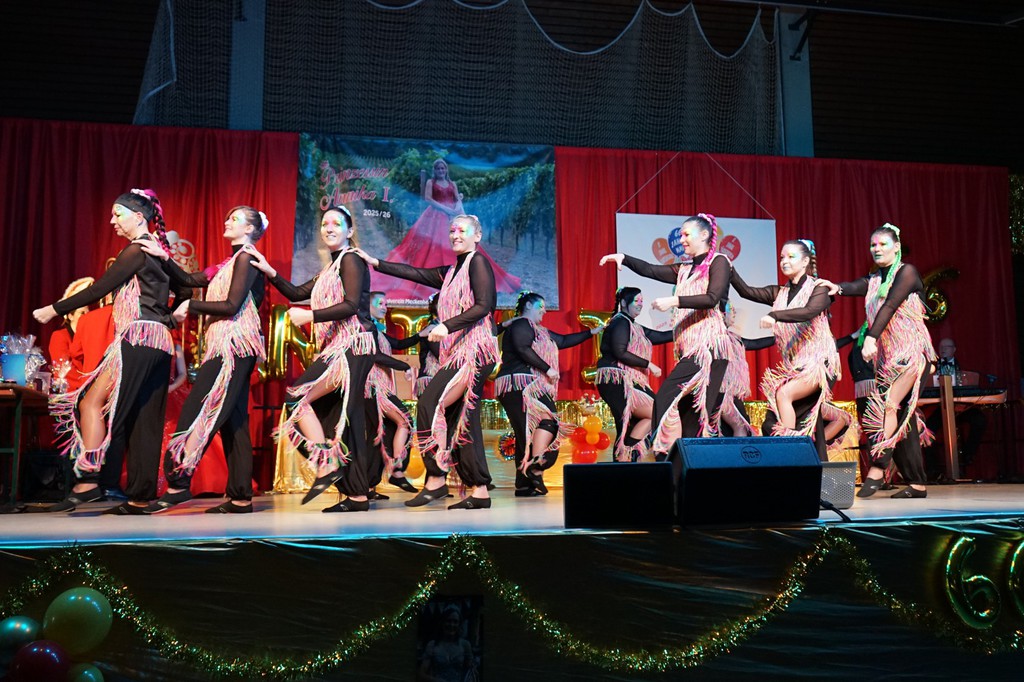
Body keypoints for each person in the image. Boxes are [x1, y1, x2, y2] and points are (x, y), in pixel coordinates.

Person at [33, 189, 179, 514]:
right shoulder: (157, 252)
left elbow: (100, 288)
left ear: (138, 217)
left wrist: (54, 309)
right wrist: (170, 317)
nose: (112, 221)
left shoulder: (136, 250)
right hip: (160, 341)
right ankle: (140, 498)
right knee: (144, 419)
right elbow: (183, 287)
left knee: (92, 402)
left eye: (118, 214)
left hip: (137, 336)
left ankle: (88, 481)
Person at [358, 214, 500, 509]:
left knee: (429, 403)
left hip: (475, 350)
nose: (455, 235)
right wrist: (376, 263)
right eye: (452, 230)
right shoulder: (451, 272)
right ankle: (479, 490)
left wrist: (447, 326)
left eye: (462, 230)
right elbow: (415, 273)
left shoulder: (477, 262)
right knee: (460, 417)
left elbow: (484, 305)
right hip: (459, 352)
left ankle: (436, 478)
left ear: (477, 236)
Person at [246, 205, 377, 512]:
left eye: (336, 224)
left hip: (353, 345)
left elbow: (351, 305)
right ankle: (356, 494)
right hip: (339, 347)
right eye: (324, 223)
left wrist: (310, 316)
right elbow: (295, 292)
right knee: (341, 420)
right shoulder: (329, 269)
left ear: (350, 231)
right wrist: (269, 270)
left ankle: (327, 464)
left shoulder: (352, 259)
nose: (328, 228)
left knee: (297, 396)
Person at [141, 206, 267, 514]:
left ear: (250, 229)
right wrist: (162, 256)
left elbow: (232, 305)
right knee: (234, 422)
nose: (227, 221)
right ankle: (240, 497)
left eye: (235, 219)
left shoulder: (247, 258)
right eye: (228, 216)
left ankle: (178, 484)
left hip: (234, 346)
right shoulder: (228, 263)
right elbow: (188, 278)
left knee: (197, 409)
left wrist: (191, 306)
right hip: (225, 345)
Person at [599, 213, 731, 457]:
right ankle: (682, 472)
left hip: (710, 347)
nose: (681, 240)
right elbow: (650, 270)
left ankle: (662, 454)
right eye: (680, 235)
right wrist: (624, 258)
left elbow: (712, 298)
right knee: (690, 417)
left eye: (686, 234)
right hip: (691, 349)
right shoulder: (684, 269)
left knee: (666, 398)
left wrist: (674, 300)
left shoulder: (718, 261)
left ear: (704, 235)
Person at [822, 223, 937, 498]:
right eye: (873, 244)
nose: (876, 248)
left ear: (896, 247)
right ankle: (917, 484)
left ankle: (877, 468)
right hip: (889, 362)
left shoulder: (907, 273)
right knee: (904, 421)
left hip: (912, 354)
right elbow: (856, 286)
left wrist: (871, 337)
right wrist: (837, 287)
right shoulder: (875, 280)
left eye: (883, 244)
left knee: (889, 406)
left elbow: (890, 304)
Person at [729, 239, 839, 460]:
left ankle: (790, 455)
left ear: (805, 261)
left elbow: (808, 311)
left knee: (784, 394)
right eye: (782, 257)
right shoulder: (779, 293)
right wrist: (728, 268)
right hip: (796, 367)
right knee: (794, 420)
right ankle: (815, 467)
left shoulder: (819, 289)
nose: (784, 261)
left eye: (791, 257)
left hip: (819, 364)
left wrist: (775, 315)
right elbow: (746, 291)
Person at [372, 158, 520, 301]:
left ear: (446, 170)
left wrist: (462, 215)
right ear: (435, 170)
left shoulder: (452, 183)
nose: (441, 170)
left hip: (451, 217)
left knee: (457, 245)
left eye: (443, 168)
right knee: (431, 247)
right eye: (438, 168)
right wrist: (446, 209)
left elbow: (457, 200)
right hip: (435, 216)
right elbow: (428, 199)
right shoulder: (431, 182)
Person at [496, 291, 599, 495]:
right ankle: (536, 466)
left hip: (524, 384)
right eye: (540, 306)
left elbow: (563, 341)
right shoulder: (521, 324)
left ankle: (524, 484)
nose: (544, 310)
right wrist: (548, 368)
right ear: (527, 306)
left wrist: (592, 332)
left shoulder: (540, 331)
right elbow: (522, 348)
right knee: (550, 421)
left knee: (527, 434)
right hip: (518, 383)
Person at [594, 287, 672, 461]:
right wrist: (649, 364)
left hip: (627, 379)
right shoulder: (620, 322)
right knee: (653, 413)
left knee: (633, 423)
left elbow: (658, 336)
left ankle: (627, 455)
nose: (640, 304)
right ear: (623, 302)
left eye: (642, 301)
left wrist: (684, 330)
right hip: (616, 378)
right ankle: (627, 452)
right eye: (636, 300)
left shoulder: (633, 325)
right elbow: (620, 352)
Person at [364, 290, 423, 496]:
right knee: (404, 421)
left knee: (378, 435)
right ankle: (397, 471)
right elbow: (376, 355)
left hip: (379, 387)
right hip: (373, 387)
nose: (385, 307)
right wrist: (404, 366)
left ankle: (368, 486)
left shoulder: (376, 329)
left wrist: (420, 335)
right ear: (368, 305)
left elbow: (397, 344)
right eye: (380, 303)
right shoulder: (367, 327)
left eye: (385, 304)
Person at [924, 337, 988, 477]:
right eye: (941, 347)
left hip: (963, 408)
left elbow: (972, 384)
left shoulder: (964, 365)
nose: (943, 349)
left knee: (980, 420)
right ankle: (933, 469)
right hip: (942, 409)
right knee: (926, 430)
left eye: (946, 347)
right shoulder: (932, 368)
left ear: (954, 350)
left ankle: (967, 455)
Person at [47, 277, 93, 392]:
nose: (86, 317)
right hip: (69, 392)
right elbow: (64, 369)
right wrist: (87, 386)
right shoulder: (59, 336)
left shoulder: (89, 337)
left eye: (87, 313)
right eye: (82, 313)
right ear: (70, 316)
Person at [418, 604, 477, 682]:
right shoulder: (433, 645)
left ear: (459, 624)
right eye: (448, 621)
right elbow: (421, 674)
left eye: (455, 622)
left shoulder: (465, 645)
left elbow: (470, 672)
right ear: (442, 622)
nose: (451, 625)